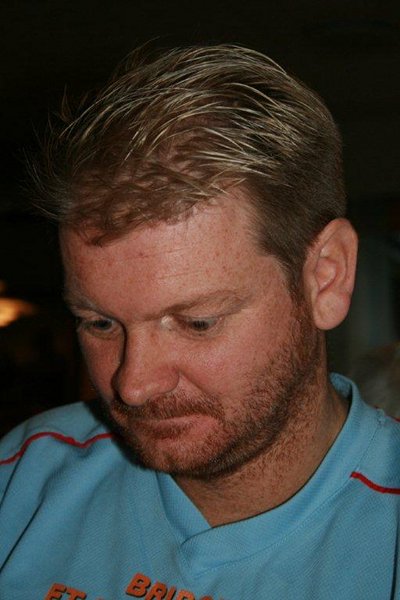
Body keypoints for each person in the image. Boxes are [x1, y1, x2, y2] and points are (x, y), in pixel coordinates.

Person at [0, 45, 399, 600]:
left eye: (197, 322)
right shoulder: (22, 478)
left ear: (325, 278)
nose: (133, 386)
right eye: (99, 323)